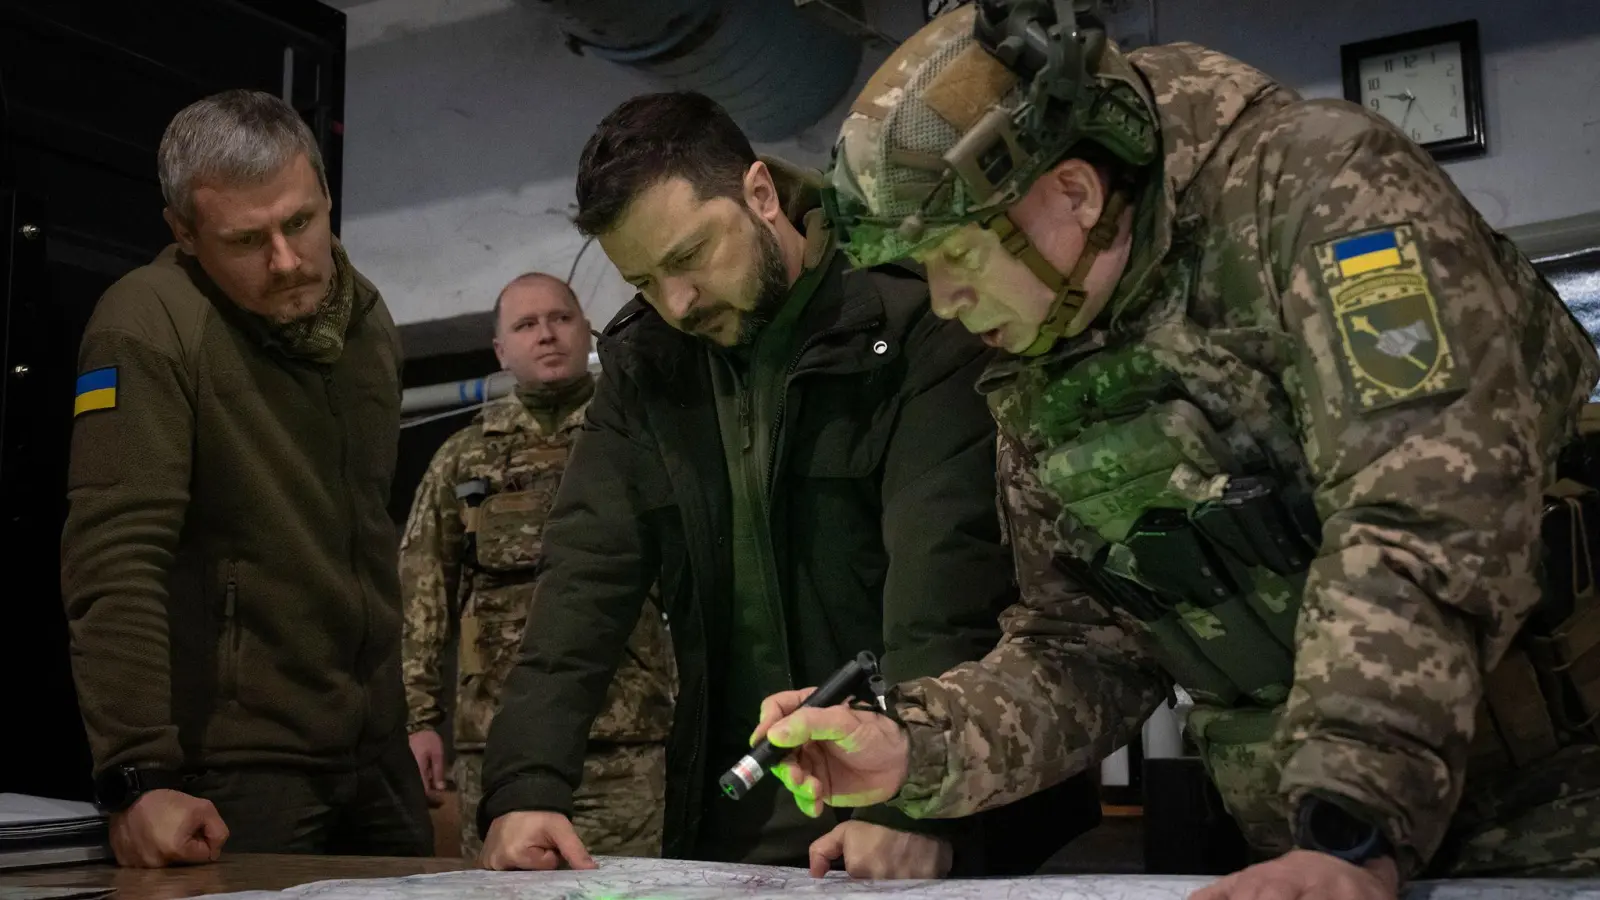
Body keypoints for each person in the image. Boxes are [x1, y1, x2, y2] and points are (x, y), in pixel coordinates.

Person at [750, 4, 1600, 899]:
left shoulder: (1322, 191)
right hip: (1307, 846)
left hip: (1550, 818)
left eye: (959, 254)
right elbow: (1086, 644)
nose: (948, 302)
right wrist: (914, 745)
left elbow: (1423, 510)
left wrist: (1352, 825)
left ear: (1074, 192)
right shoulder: (1046, 342)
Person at [476, 90, 1101, 878]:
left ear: (761, 194)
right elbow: (582, 579)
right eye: (643, 281)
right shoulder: (647, 370)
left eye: (688, 257)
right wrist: (524, 785)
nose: (676, 303)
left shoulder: (911, 316)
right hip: (745, 816)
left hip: (951, 811)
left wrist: (906, 799)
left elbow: (945, 576)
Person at [60, 89, 430, 867]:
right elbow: (114, 556)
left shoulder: (369, 323)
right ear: (185, 235)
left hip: (379, 760)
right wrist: (135, 776)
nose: (287, 260)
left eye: (300, 222)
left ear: (327, 197)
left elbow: (370, 537)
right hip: (238, 771)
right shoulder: (147, 321)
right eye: (246, 239)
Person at [400, 272, 677, 860]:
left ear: (588, 331)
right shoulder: (463, 458)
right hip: (497, 743)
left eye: (560, 318)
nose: (546, 335)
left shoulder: (640, 440)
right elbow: (423, 593)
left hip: (626, 741)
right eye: (526, 325)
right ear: (500, 351)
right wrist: (420, 718)